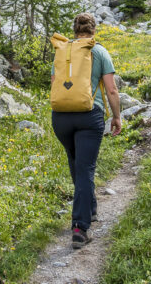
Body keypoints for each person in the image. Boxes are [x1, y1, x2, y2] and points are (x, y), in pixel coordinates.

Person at [50, 12, 121, 249]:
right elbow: (111, 90)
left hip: (61, 118)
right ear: (93, 30)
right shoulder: (98, 51)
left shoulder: (63, 51)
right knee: (85, 169)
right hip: (89, 116)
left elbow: (54, 84)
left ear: (74, 30)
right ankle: (80, 229)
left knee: (76, 162)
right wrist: (117, 117)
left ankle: (89, 209)